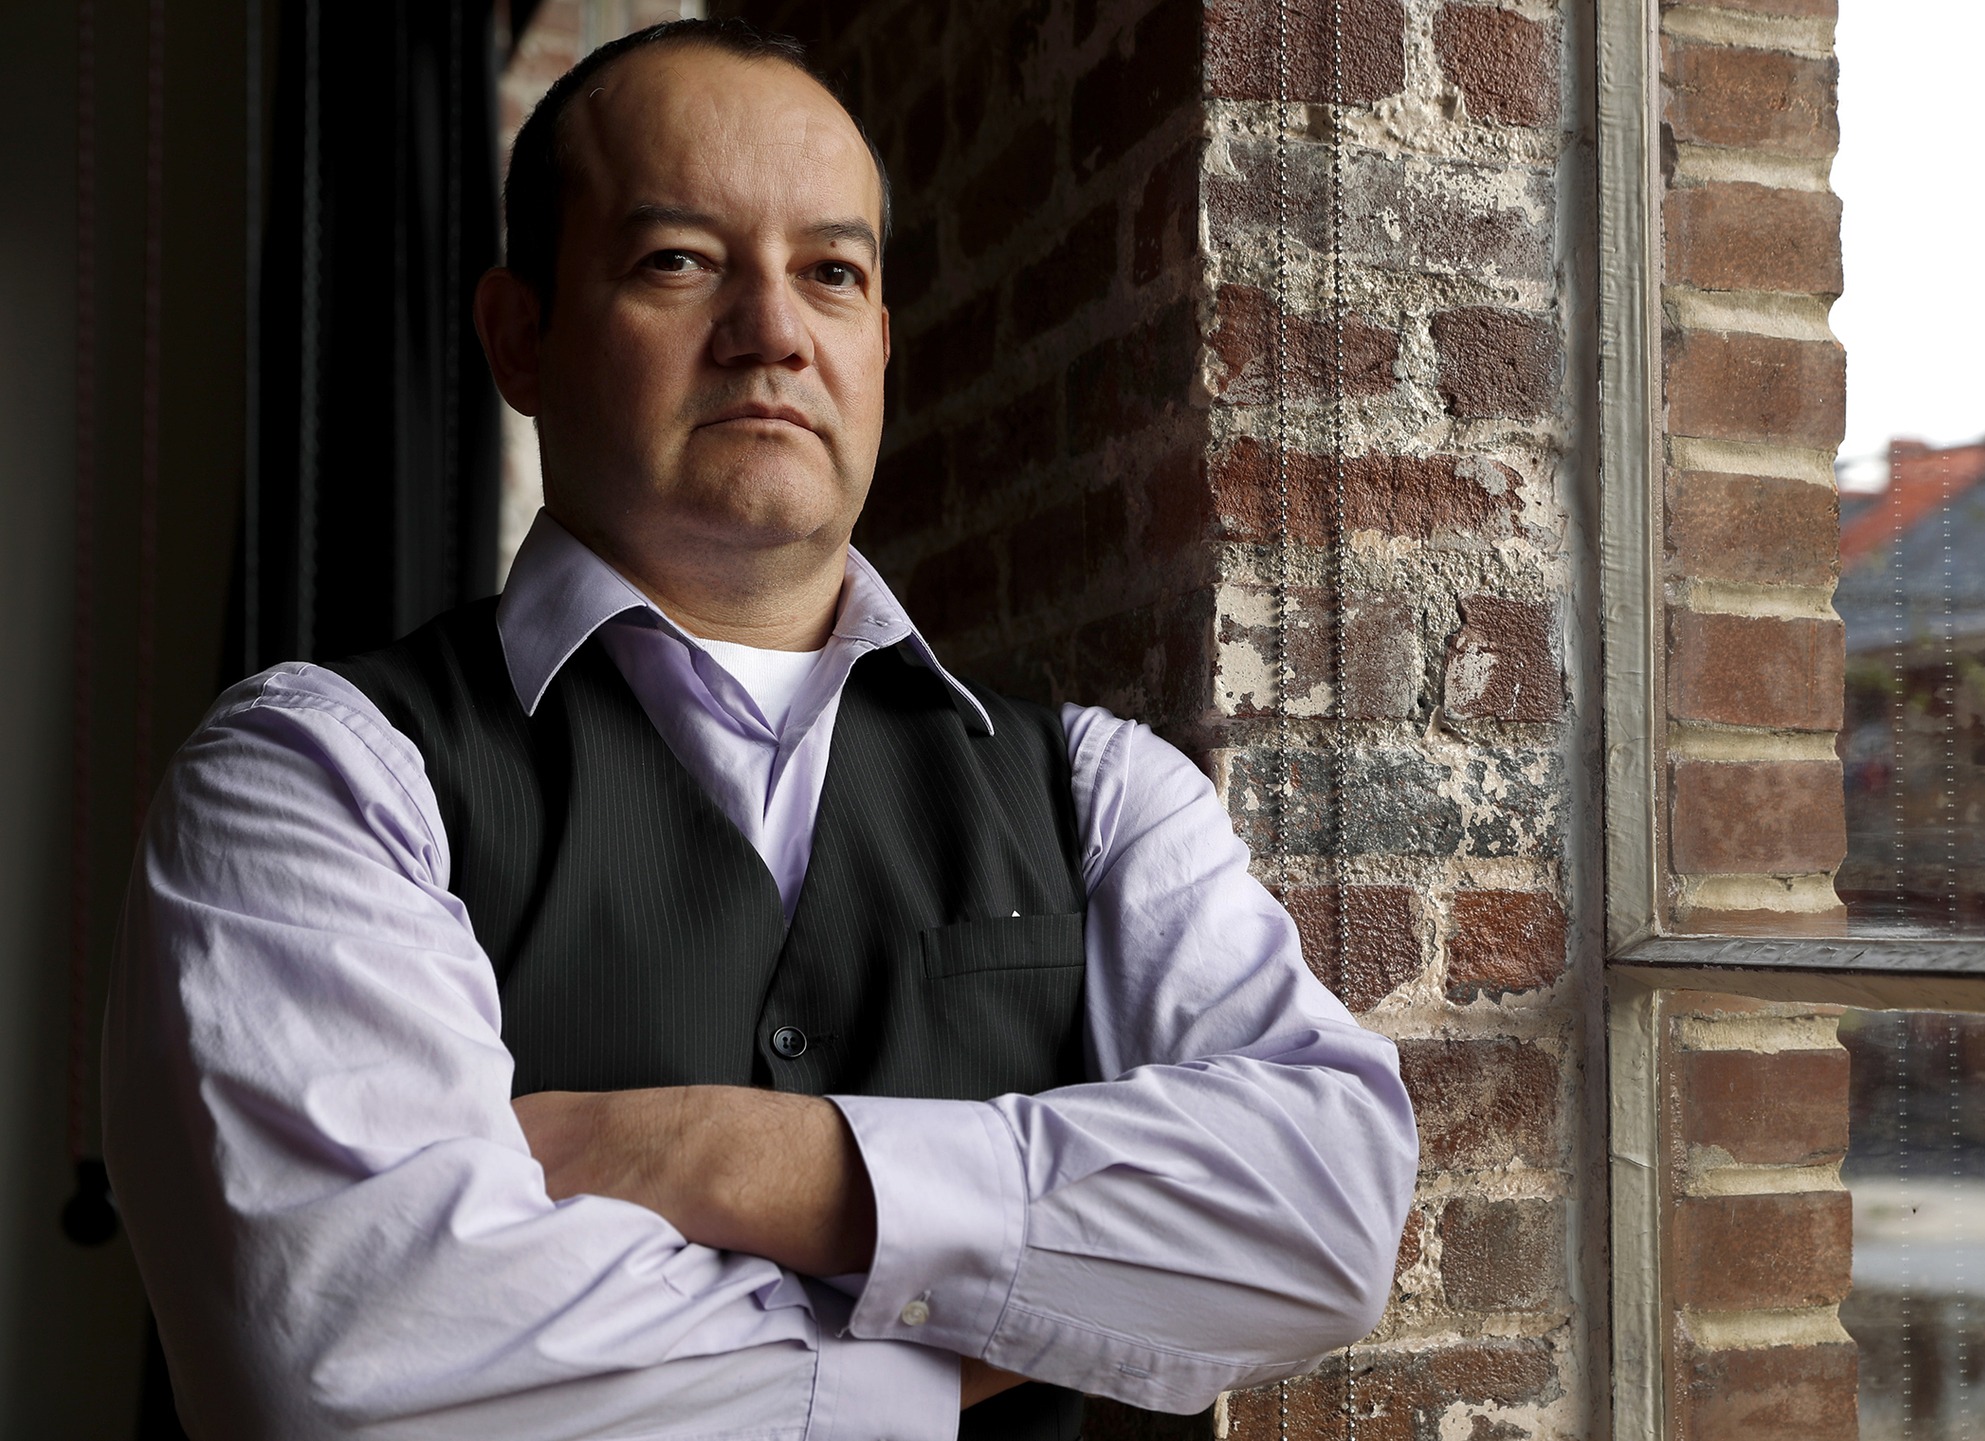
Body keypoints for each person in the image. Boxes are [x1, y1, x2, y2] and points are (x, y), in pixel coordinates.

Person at [103, 19, 1417, 1441]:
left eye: (832, 275)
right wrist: (1032, 1312)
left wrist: (720, 1152)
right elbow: (354, 1369)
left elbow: (1329, 1209)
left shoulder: (1100, 794)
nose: (774, 330)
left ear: (879, 346)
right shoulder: (316, 775)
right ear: (521, 334)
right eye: (679, 260)